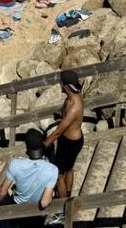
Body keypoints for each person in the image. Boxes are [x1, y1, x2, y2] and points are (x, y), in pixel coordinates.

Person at [0, 129, 57, 227]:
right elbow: (44, 203)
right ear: (42, 144)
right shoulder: (52, 169)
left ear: (27, 146)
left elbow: (2, 192)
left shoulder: (15, 164)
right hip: (36, 212)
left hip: (17, 207)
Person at [43, 70, 85, 198]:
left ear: (65, 85)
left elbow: (58, 131)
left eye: (61, 83)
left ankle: (62, 206)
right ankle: (68, 195)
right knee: (69, 168)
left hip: (71, 143)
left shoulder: (74, 106)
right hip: (66, 140)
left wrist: (45, 144)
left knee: (59, 176)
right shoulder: (72, 96)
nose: (60, 85)